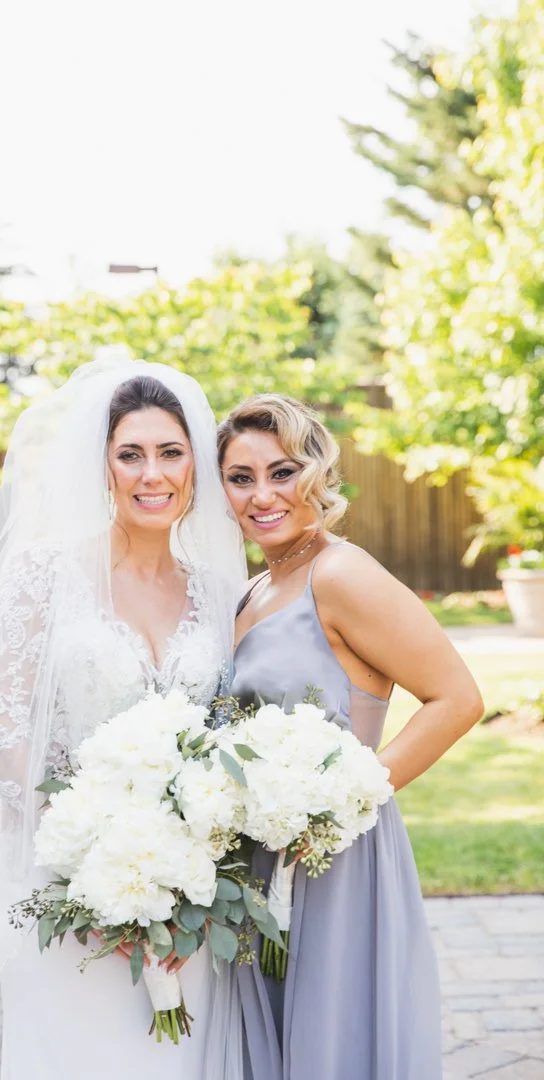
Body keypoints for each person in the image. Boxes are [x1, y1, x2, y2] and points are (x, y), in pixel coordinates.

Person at [0, 353, 247, 1079]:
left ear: (195, 467)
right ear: (102, 466)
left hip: (190, 894)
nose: (152, 474)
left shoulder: (221, 594)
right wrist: (101, 857)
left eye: (171, 453)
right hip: (66, 884)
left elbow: (230, 733)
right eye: (130, 454)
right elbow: (2, 737)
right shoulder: (43, 575)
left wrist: (178, 863)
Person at [215, 393, 484, 1080]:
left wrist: (342, 803)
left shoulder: (341, 574)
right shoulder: (251, 591)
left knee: (331, 1046)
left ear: (318, 475)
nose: (262, 495)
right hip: (254, 866)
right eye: (240, 478)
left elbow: (457, 699)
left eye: (282, 472)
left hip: (334, 863)